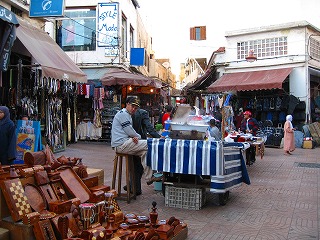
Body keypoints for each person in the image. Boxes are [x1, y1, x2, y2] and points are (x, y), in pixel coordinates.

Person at [111, 97, 154, 194]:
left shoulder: (128, 115)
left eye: (135, 108)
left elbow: (128, 132)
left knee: (144, 152)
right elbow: (130, 131)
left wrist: (133, 137)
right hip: (120, 145)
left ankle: (149, 177)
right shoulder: (123, 114)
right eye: (132, 106)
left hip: (125, 142)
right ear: (127, 104)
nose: (134, 109)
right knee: (149, 144)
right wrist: (137, 137)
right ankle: (152, 174)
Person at [129, 107, 161, 195]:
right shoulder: (144, 113)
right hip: (140, 141)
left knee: (134, 165)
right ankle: (137, 186)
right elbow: (149, 128)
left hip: (131, 141)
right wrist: (158, 137)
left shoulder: (129, 113)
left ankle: (133, 186)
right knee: (139, 165)